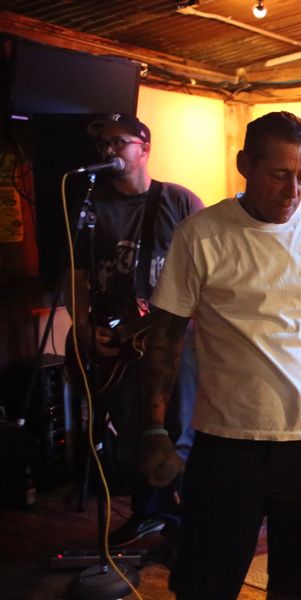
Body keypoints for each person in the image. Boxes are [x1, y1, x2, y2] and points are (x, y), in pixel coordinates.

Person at [137, 111, 301, 599]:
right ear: (245, 165)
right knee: (205, 583)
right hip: (226, 443)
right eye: (279, 175)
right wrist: (153, 428)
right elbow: (166, 334)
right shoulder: (201, 234)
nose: (292, 190)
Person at [68, 113, 203, 548]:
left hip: (174, 340)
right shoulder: (93, 206)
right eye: (102, 144)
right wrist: (82, 327)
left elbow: (211, 268)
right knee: (132, 433)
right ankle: (148, 513)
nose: (108, 150)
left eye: (118, 141)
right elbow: (79, 276)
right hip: (118, 343)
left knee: (177, 430)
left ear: (144, 148)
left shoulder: (180, 201)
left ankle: (187, 523)